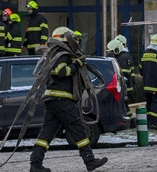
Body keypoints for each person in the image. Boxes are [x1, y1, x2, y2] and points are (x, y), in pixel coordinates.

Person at [29, 27, 108, 172]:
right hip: (62, 100)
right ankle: (90, 161)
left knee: (46, 133)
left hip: (52, 100)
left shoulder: (53, 53)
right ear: (64, 38)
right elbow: (61, 72)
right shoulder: (61, 54)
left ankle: (35, 164)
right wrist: (77, 64)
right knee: (78, 129)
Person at [107, 38, 134, 123]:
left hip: (125, 86)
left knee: (124, 105)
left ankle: (131, 122)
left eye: (112, 51)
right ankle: (131, 121)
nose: (111, 53)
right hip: (127, 85)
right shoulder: (124, 56)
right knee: (125, 106)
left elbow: (123, 74)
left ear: (117, 49)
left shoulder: (122, 58)